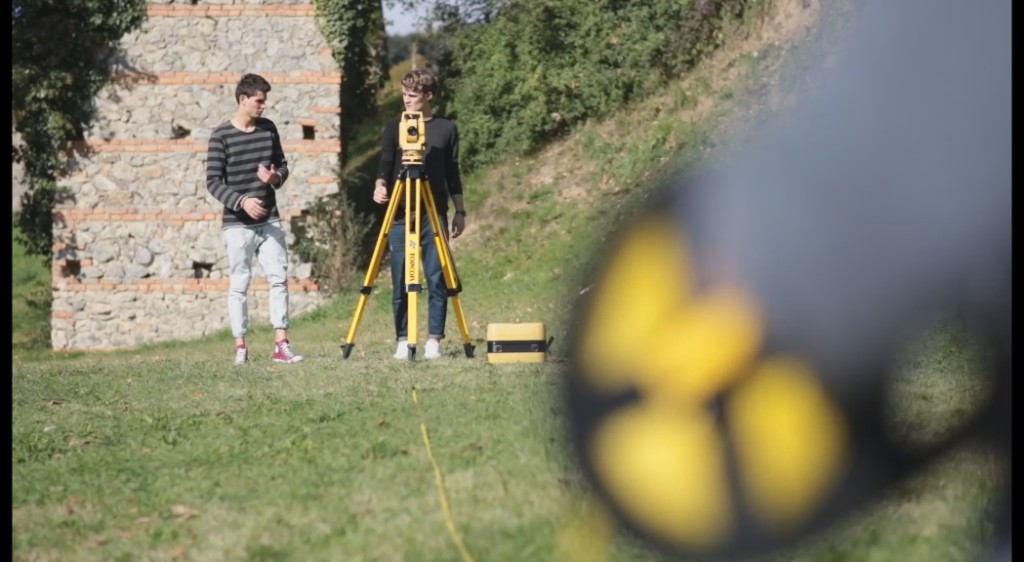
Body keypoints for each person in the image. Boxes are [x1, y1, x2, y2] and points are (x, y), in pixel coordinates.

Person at [205, 73, 304, 365]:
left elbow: (283, 166)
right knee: (239, 284)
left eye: (265, 100)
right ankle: (241, 346)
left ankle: (281, 344)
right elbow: (212, 181)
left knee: (278, 279)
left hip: (270, 219)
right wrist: (242, 201)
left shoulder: (268, 129)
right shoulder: (220, 136)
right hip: (237, 224)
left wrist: (275, 178)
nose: (263, 106)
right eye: (259, 101)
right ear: (243, 100)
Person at [373, 68, 467, 360]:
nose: (407, 101)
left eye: (412, 96)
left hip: (433, 212)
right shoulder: (394, 126)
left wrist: (460, 210)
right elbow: (386, 163)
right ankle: (403, 338)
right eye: (404, 95)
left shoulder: (445, 129)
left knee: (436, 276)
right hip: (401, 212)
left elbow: (452, 171)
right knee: (400, 279)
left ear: (428, 96)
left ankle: (434, 341)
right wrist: (379, 185)